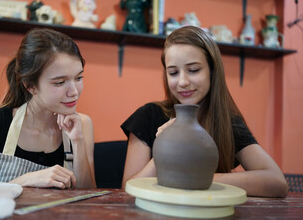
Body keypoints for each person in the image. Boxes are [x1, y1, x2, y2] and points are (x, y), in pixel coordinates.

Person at [121, 26, 288, 197]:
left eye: (193, 70)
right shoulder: (148, 116)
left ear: (212, 72)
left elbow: (277, 182)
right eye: (173, 72)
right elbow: (128, 189)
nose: (182, 81)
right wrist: (163, 151)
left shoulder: (228, 124)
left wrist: (198, 179)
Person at [0, 28, 96, 189]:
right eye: (60, 82)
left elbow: (88, 200)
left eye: (78, 78)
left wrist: (78, 142)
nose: (74, 91)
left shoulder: (83, 124)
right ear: (30, 86)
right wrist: (25, 180)